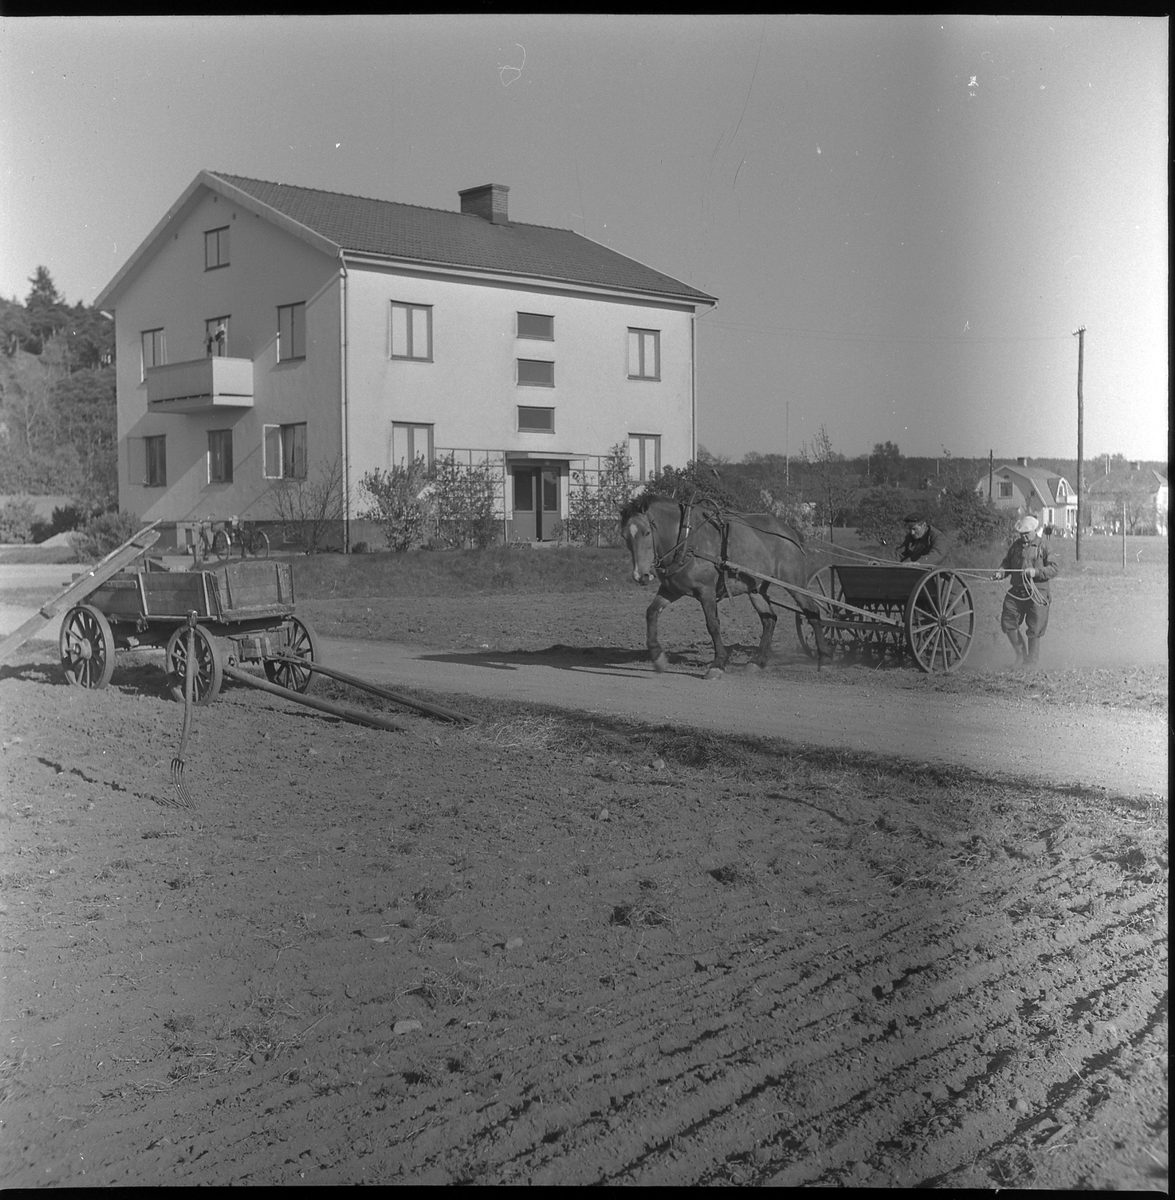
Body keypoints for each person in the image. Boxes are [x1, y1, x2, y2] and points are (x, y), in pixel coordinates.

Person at [992, 514, 1058, 667]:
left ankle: (1032, 661)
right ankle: (1020, 657)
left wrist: (1035, 572)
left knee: (1035, 627)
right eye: (1021, 534)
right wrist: (1000, 572)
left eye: (1026, 533)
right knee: (1008, 620)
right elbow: (1007, 563)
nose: (1024, 536)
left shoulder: (1045, 546)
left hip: (1038, 592)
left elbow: (1054, 569)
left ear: (1034, 531)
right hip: (1017, 590)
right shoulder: (1015, 546)